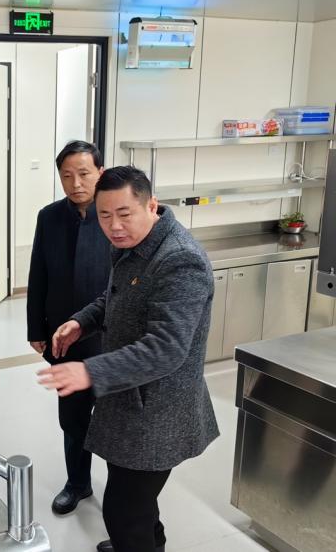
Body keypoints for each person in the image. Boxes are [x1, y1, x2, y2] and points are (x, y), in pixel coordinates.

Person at [38, 166, 219, 552]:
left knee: (123, 512)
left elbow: (166, 347)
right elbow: (116, 296)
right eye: (105, 215)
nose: (114, 226)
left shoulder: (180, 260)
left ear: (151, 205)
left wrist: (89, 371)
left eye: (124, 213)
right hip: (128, 400)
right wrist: (82, 322)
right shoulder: (132, 243)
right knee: (137, 502)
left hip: (158, 412)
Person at [27, 140, 110, 515]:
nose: (76, 183)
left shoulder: (114, 216)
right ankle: (77, 482)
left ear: (100, 173)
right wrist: (36, 327)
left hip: (109, 337)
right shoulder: (49, 217)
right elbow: (38, 274)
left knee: (115, 418)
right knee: (72, 417)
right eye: (67, 175)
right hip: (64, 335)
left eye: (84, 174)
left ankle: (122, 494)